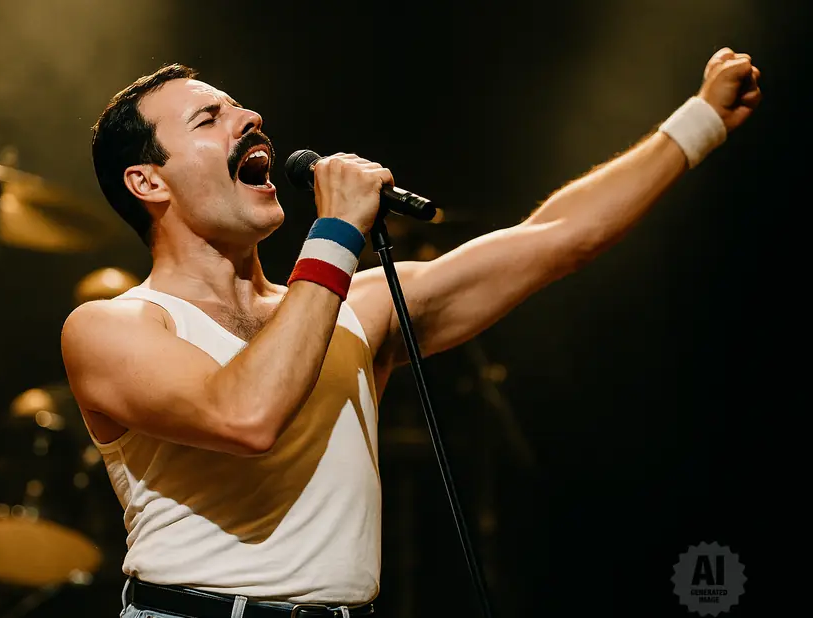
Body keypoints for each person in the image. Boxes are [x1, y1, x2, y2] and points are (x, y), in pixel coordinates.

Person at [61, 47, 761, 618]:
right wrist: (335, 234)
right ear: (148, 182)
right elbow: (245, 414)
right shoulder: (112, 327)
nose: (250, 119)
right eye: (209, 118)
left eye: (242, 108)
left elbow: (557, 239)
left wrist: (700, 122)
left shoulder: (358, 307)